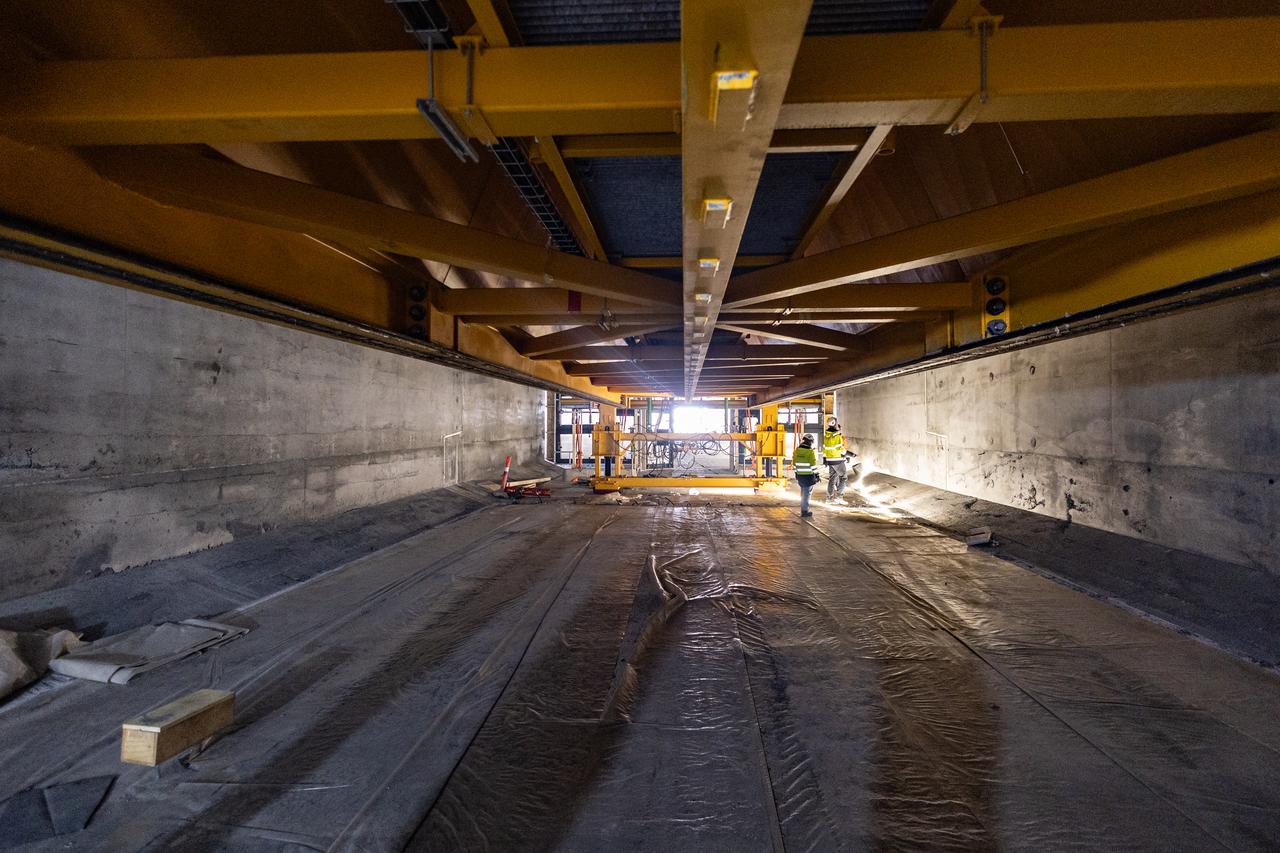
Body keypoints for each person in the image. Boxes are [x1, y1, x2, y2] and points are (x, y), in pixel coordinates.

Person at [793, 433, 820, 518]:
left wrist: (796, 472)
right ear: (810, 442)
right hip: (808, 476)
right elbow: (813, 465)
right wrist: (817, 475)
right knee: (807, 494)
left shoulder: (797, 450)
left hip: (800, 475)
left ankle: (803, 509)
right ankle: (805, 511)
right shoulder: (810, 452)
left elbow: (794, 464)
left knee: (803, 493)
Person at [822, 416, 848, 503]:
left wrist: (825, 459)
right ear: (834, 423)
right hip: (837, 459)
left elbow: (825, 448)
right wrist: (847, 454)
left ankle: (829, 498)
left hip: (830, 460)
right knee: (843, 477)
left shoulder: (826, 435)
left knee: (832, 479)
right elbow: (840, 449)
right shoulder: (837, 436)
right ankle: (839, 497)